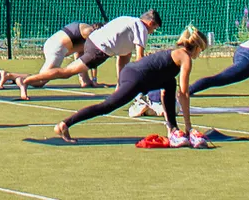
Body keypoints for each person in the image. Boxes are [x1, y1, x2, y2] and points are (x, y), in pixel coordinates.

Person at [54, 25, 209, 146]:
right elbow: (184, 94)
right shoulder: (185, 57)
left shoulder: (175, 52)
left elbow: (167, 92)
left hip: (135, 74)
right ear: (196, 47)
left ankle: (172, 130)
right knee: (107, 106)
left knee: (169, 83)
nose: (199, 54)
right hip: (136, 77)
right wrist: (189, 127)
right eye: (200, 51)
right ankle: (65, 124)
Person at [19, 10, 160, 97]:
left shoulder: (128, 20)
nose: (153, 32)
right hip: (99, 49)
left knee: (125, 56)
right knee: (66, 72)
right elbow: (140, 58)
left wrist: (120, 85)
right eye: (155, 29)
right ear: (151, 23)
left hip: (94, 43)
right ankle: (25, 80)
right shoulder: (142, 28)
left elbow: (124, 56)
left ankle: (119, 90)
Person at [28, 22, 100, 90]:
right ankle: (18, 78)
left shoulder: (84, 28)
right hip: (56, 48)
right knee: (40, 81)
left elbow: (80, 56)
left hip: (51, 43)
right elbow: (93, 56)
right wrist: (94, 79)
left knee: (41, 78)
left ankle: (85, 80)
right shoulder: (89, 32)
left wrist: (85, 80)